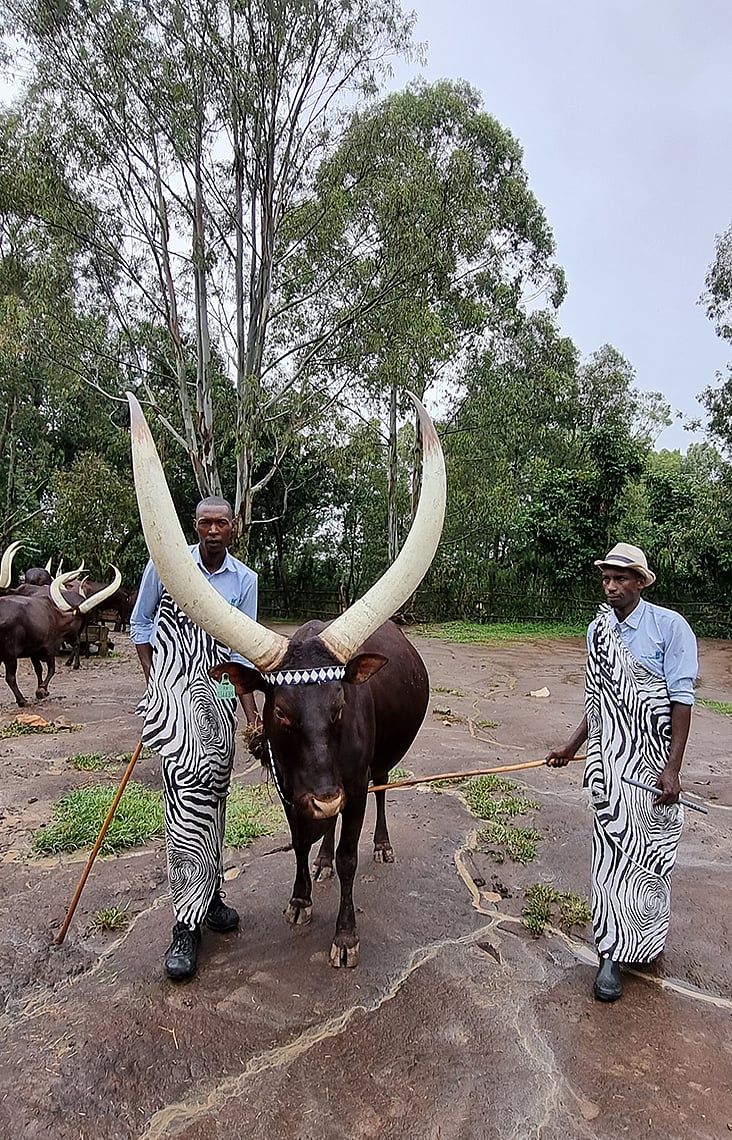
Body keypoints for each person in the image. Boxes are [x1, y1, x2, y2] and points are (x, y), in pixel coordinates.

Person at [546, 542, 698, 1003]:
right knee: (613, 858)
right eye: (606, 579)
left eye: (620, 579)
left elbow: (681, 700)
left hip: (653, 768)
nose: (611, 587)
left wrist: (672, 769)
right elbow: (598, 701)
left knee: (651, 861)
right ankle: (610, 954)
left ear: (640, 582)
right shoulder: (598, 632)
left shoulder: (671, 628)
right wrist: (571, 747)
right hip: (611, 766)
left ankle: (645, 941)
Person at [130, 496, 259, 981]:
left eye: (220, 523)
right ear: (195, 526)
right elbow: (141, 623)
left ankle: (211, 897)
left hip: (219, 689)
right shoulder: (166, 564)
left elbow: (243, 650)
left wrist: (250, 716)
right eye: (205, 522)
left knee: (217, 800)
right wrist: (156, 682)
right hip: (176, 693)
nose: (212, 530)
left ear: (232, 528)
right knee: (185, 805)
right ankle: (185, 926)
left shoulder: (243, 581)